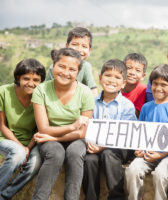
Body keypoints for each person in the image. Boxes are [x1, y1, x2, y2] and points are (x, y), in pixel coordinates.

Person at [31, 48, 95, 200]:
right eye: (61, 66)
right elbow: (43, 128)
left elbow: (82, 133)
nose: (66, 72)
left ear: (78, 72)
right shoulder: (41, 90)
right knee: (55, 153)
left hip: (71, 139)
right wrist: (72, 126)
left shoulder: (85, 92)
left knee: (75, 153)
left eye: (72, 69)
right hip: (49, 136)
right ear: (53, 66)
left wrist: (54, 138)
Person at [126, 64, 168, 200]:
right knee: (132, 170)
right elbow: (139, 134)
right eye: (155, 83)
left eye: (164, 85)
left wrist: (161, 154)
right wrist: (139, 149)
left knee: (160, 175)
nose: (158, 88)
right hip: (147, 153)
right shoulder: (146, 108)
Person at [82, 59, 136, 200]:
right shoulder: (92, 102)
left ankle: (117, 196)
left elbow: (127, 134)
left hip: (118, 148)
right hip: (94, 145)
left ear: (123, 83)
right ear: (100, 78)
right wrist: (90, 143)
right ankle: (91, 197)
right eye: (108, 76)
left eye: (117, 77)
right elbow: (86, 126)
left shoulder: (126, 105)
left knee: (108, 154)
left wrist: (103, 146)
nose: (112, 80)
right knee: (89, 160)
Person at [0, 59, 45, 200]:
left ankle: (4, 195)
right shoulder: (3, 91)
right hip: (5, 138)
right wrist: (22, 148)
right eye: (26, 78)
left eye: (36, 80)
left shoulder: (42, 96)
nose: (31, 83)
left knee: (35, 163)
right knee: (18, 154)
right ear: (18, 77)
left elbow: (40, 129)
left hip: (33, 141)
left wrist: (29, 147)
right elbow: (2, 125)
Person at [45, 27, 98, 96]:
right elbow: (46, 90)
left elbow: (93, 90)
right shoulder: (53, 68)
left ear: (89, 50)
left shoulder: (86, 66)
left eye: (84, 46)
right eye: (75, 44)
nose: (79, 49)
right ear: (67, 46)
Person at [121, 53, 147, 118]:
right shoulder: (115, 85)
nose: (132, 73)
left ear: (143, 76)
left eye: (138, 70)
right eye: (128, 68)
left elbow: (137, 114)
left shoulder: (143, 90)